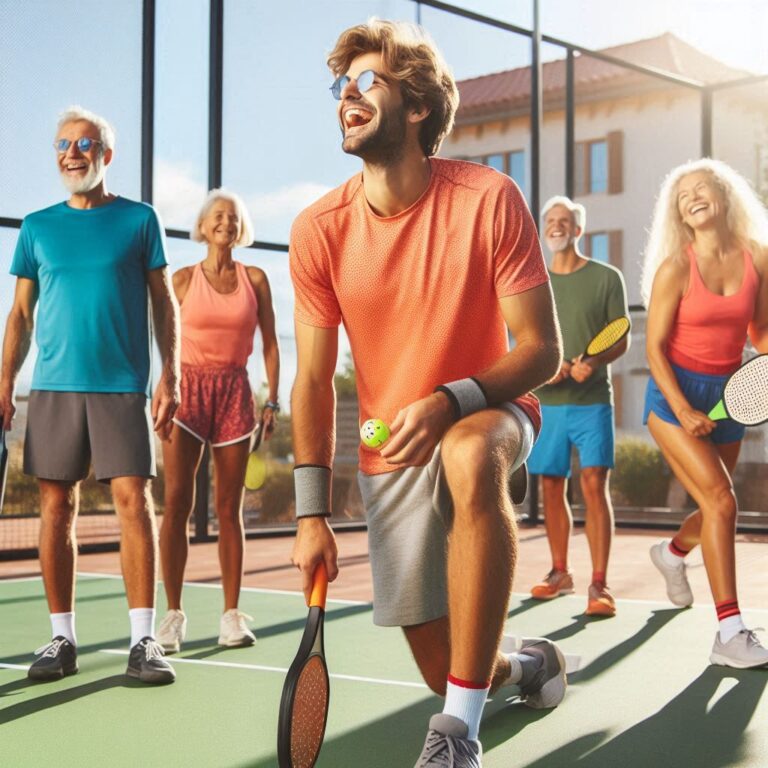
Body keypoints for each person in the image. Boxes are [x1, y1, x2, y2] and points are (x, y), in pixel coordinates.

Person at [288, 20, 567, 767]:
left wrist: (451, 399)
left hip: (490, 406)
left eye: (368, 81)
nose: (348, 93)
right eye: (342, 85)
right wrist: (311, 511)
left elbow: (543, 351)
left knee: (471, 456)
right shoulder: (318, 231)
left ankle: (456, 740)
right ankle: (521, 667)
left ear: (416, 108)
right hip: (390, 443)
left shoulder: (488, 199)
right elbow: (313, 378)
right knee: (445, 661)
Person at [0, 106, 180, 684]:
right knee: (56, 508)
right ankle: (62, 638)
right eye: (63, 143)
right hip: (51, 387)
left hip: (121, 386)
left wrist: (169, 373)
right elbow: (21, 315)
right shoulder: (37, 226)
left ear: (107, 154)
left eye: (85, 142)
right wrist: (4, 382)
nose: (72, 152)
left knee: (134, 501)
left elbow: (163, 301)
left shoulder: (139, 220)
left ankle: (143, 640)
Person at [642, 158, 768, 668]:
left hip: (730, 392)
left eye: (701, 189)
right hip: (674, 397)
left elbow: (760, 333)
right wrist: (683, 408)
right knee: (722, 500)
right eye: (682, 194)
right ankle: (729, 632)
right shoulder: (676, 267)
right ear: (680, 213)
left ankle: (671, 554)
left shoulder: (758, 258)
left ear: (724, 195)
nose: (692, 197)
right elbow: (653, 350)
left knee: (715, 505)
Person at [156, 189, 279, 653]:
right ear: (204, 227)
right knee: (176, 504)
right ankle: (172, 616)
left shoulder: (257, 279)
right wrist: (164, 387)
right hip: (187, 393)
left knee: (230, 509)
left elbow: (270, 343)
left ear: (239, 227)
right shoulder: (184, 279)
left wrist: (273, 400)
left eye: (232, 217)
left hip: (235, 393)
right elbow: (165, 337)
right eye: (217, 216)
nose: (225, 222)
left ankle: (231, 616)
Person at [527, 196, 630, 617]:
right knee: (551, 486)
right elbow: (524, 337)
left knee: (593, 485)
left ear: (578, 230)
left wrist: (593, 362)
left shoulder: (607, 279)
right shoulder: (532, 281)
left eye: (564, 221)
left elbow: (619, 337)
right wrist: (543, 368)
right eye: (550, 220)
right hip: (547, 406)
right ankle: (559, 573)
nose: (556, 226)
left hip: (592, 404)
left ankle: (600, 585)